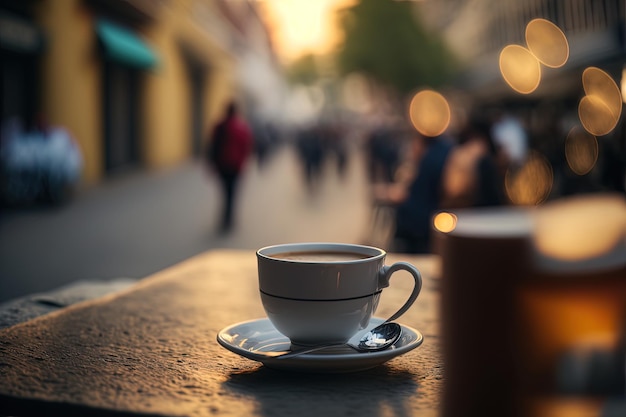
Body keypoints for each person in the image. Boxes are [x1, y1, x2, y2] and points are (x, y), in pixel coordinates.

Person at [206, 102, 253, 233]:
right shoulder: (242, 127)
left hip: (222, 165)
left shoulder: (220, 126)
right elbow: (246, 147)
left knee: (225, 192)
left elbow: (212, 146)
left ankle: (225, 218)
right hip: (236, 166)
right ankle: (229, 219)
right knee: (232, 193)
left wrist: (211, 164)